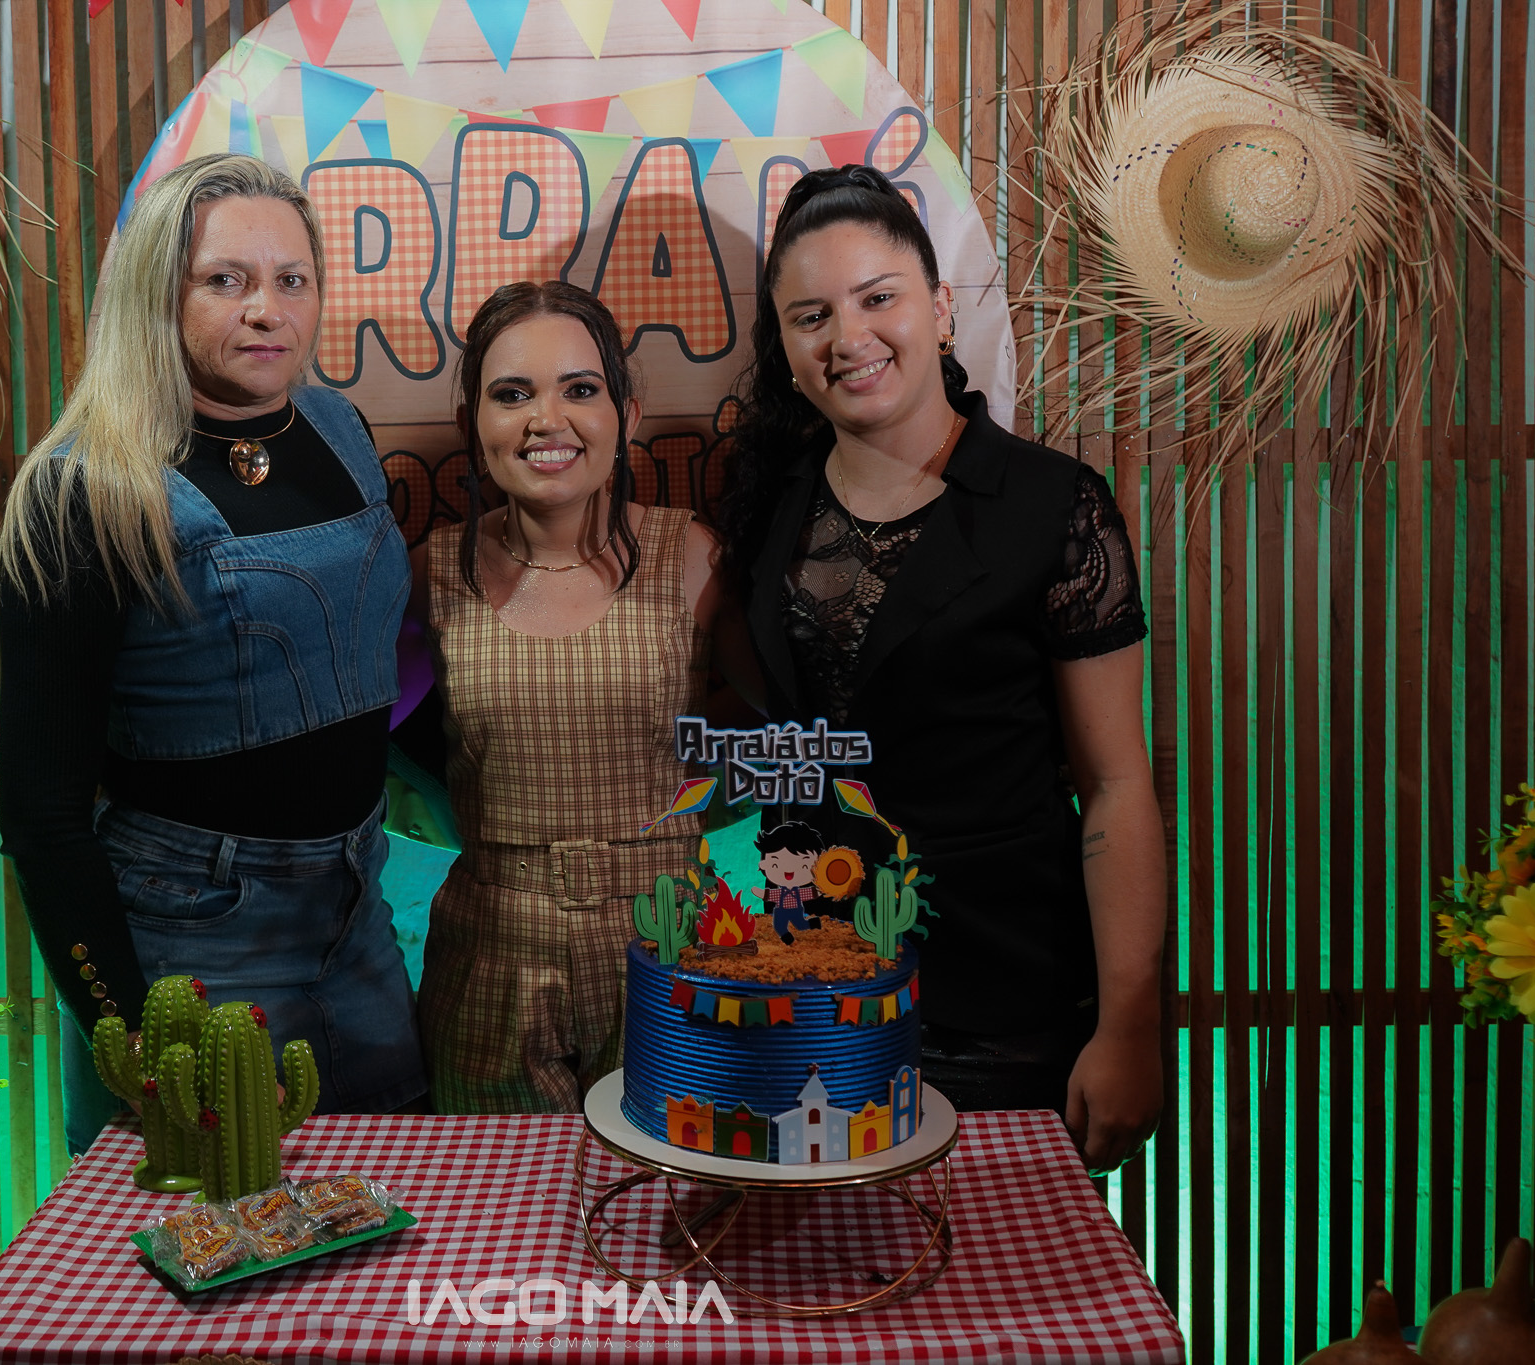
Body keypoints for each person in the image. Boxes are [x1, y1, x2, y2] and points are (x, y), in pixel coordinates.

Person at [717, 166, 1166, 1173]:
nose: (849, 336)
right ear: (785, 350)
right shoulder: (773, 506)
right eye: (811, 316)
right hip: (814, 996)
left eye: (877, 297)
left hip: (1004, 1001)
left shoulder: (1053, 506)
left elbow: (1114, 784)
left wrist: (1129, 1027)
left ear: (940, 308)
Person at [0, 154, 426, 1155]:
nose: (267, 310)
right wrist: (137, 1040)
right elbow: (43, 821)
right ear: (160, 291)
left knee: (392, 1213)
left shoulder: (340, 428)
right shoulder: (82, 489)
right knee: (210, 1230)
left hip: (360, 920)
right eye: (225, 280)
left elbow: (374, 670)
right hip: (190, 949)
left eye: (290, 279)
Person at [408, 281, 759, 1114]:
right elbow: (379, 739)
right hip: (488, 955)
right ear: (470, 423)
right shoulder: (428, 570)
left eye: (579, 388)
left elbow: (759, 721)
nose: (547, 419)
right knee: (499, 1186)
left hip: (672, 941)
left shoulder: (694, 557)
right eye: (512, 394)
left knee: (673, 1177)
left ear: (626, 414)